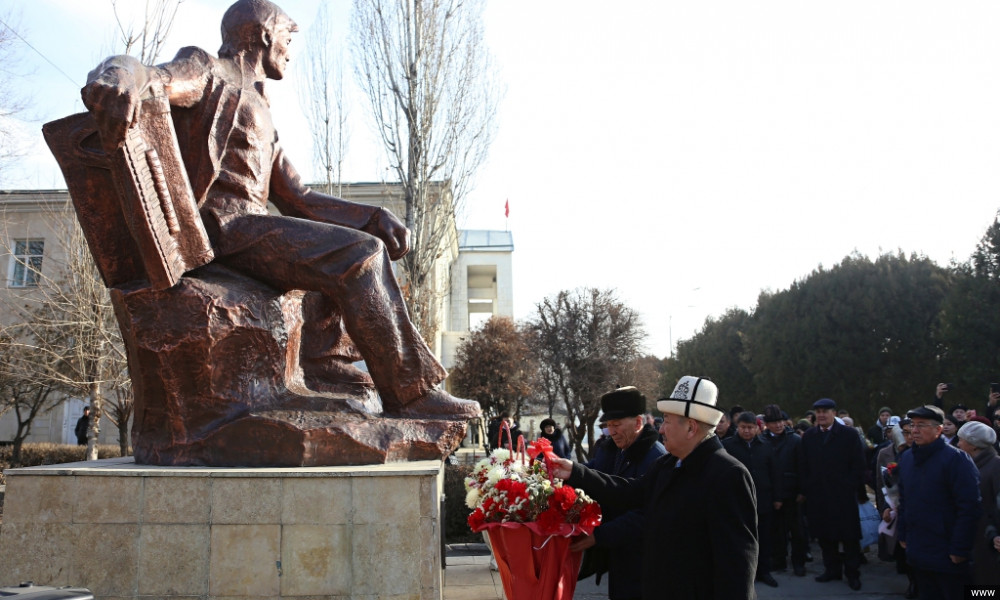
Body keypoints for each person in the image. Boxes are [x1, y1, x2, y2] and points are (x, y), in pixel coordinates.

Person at [80, 0, 479, 422]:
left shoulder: (261, 106)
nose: (290, 49)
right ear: (264, 34)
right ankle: (412, 395)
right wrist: (118, 74)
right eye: (288, 37)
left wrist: (372, 218)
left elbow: (299, 198)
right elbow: (155, 77)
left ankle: (325, 370)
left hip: (252, 228)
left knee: (344, 245)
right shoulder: (209, 70)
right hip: (221, 228)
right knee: (359, 256)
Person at [552, 376, 758, 599]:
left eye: (667, 421)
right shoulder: (669, 464)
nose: (661, 430)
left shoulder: (728, 475)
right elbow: (629, 492)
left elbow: (738, 566)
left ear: (691, 427)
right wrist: (575, 472)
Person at [575, 387, 666, 600]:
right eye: (608, 426)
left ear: (637, 423)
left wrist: (598, 536)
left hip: (643, 559)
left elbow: (645, 515)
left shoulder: (655, 458)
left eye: (616, 425)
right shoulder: (613, 449)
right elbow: (593, 473)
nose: (611, 431)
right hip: (618, 554)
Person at [896, 405, 981, 600]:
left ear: (938, 429)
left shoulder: (956, 460)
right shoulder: (908, 458)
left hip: (947, 552)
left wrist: (960, 548)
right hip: (918, 548)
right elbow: (904, 500)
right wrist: (903, 533)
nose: (914, 430)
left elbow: (969, 507)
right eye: (913, 425)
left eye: (921, 425)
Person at [798, 397, 867, 591]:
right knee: (825, 536)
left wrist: (850, 485)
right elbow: (803, 465)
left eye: (825, 411)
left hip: (843, 495)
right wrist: (808, 487)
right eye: (818, 412)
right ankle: (831, 569)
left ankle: (853, 574)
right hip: (819, 496)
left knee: (849, 538)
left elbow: (859, 465)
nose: (821, 415)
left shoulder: (849, 434)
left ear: (834, 413)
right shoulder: (810, 436)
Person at [723, 411, 780, 587]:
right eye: (743, 427)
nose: (746, 431)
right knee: (741, 539)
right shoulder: (727, 446)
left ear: (757, 428)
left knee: (764, 537)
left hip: (763, 500)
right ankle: (746, 573)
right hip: (738, 502)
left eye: (750, 427)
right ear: (737, 427)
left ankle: (764, 571)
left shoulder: (767, 446)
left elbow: (775, 474)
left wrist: (778, 497)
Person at [762, 404, 807, 577]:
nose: (778, 425)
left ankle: (799, 562)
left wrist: (802, 490)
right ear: (767, 424)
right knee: (776, 531)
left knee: (797, 530)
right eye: (774, 422)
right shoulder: (763, 440)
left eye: (780, 421)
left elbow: (803, 467)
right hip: (772, 493)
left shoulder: (795, 440)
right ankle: (779, 560)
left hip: (792, 492)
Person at [955, 420, 1000, 587]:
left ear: (974, 445)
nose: (958, 444)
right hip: (973, 539)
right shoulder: (967, 465)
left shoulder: (995, 466)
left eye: (961, 440)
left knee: (987, 587)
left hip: (988, 542)